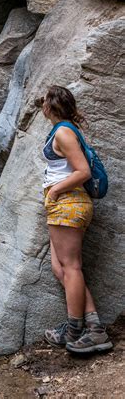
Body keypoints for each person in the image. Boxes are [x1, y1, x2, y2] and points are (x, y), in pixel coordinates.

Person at [38, 85, 113, 354]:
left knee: (70, 267)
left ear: (51, 106)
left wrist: (55, 191)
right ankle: (91, 326)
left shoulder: (64, 132)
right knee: (62, 268)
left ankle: (79, 330)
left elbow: (82, 171)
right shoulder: (64, 130)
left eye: (44, 101)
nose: (41, 106)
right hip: (63, 207)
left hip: (68, 203)